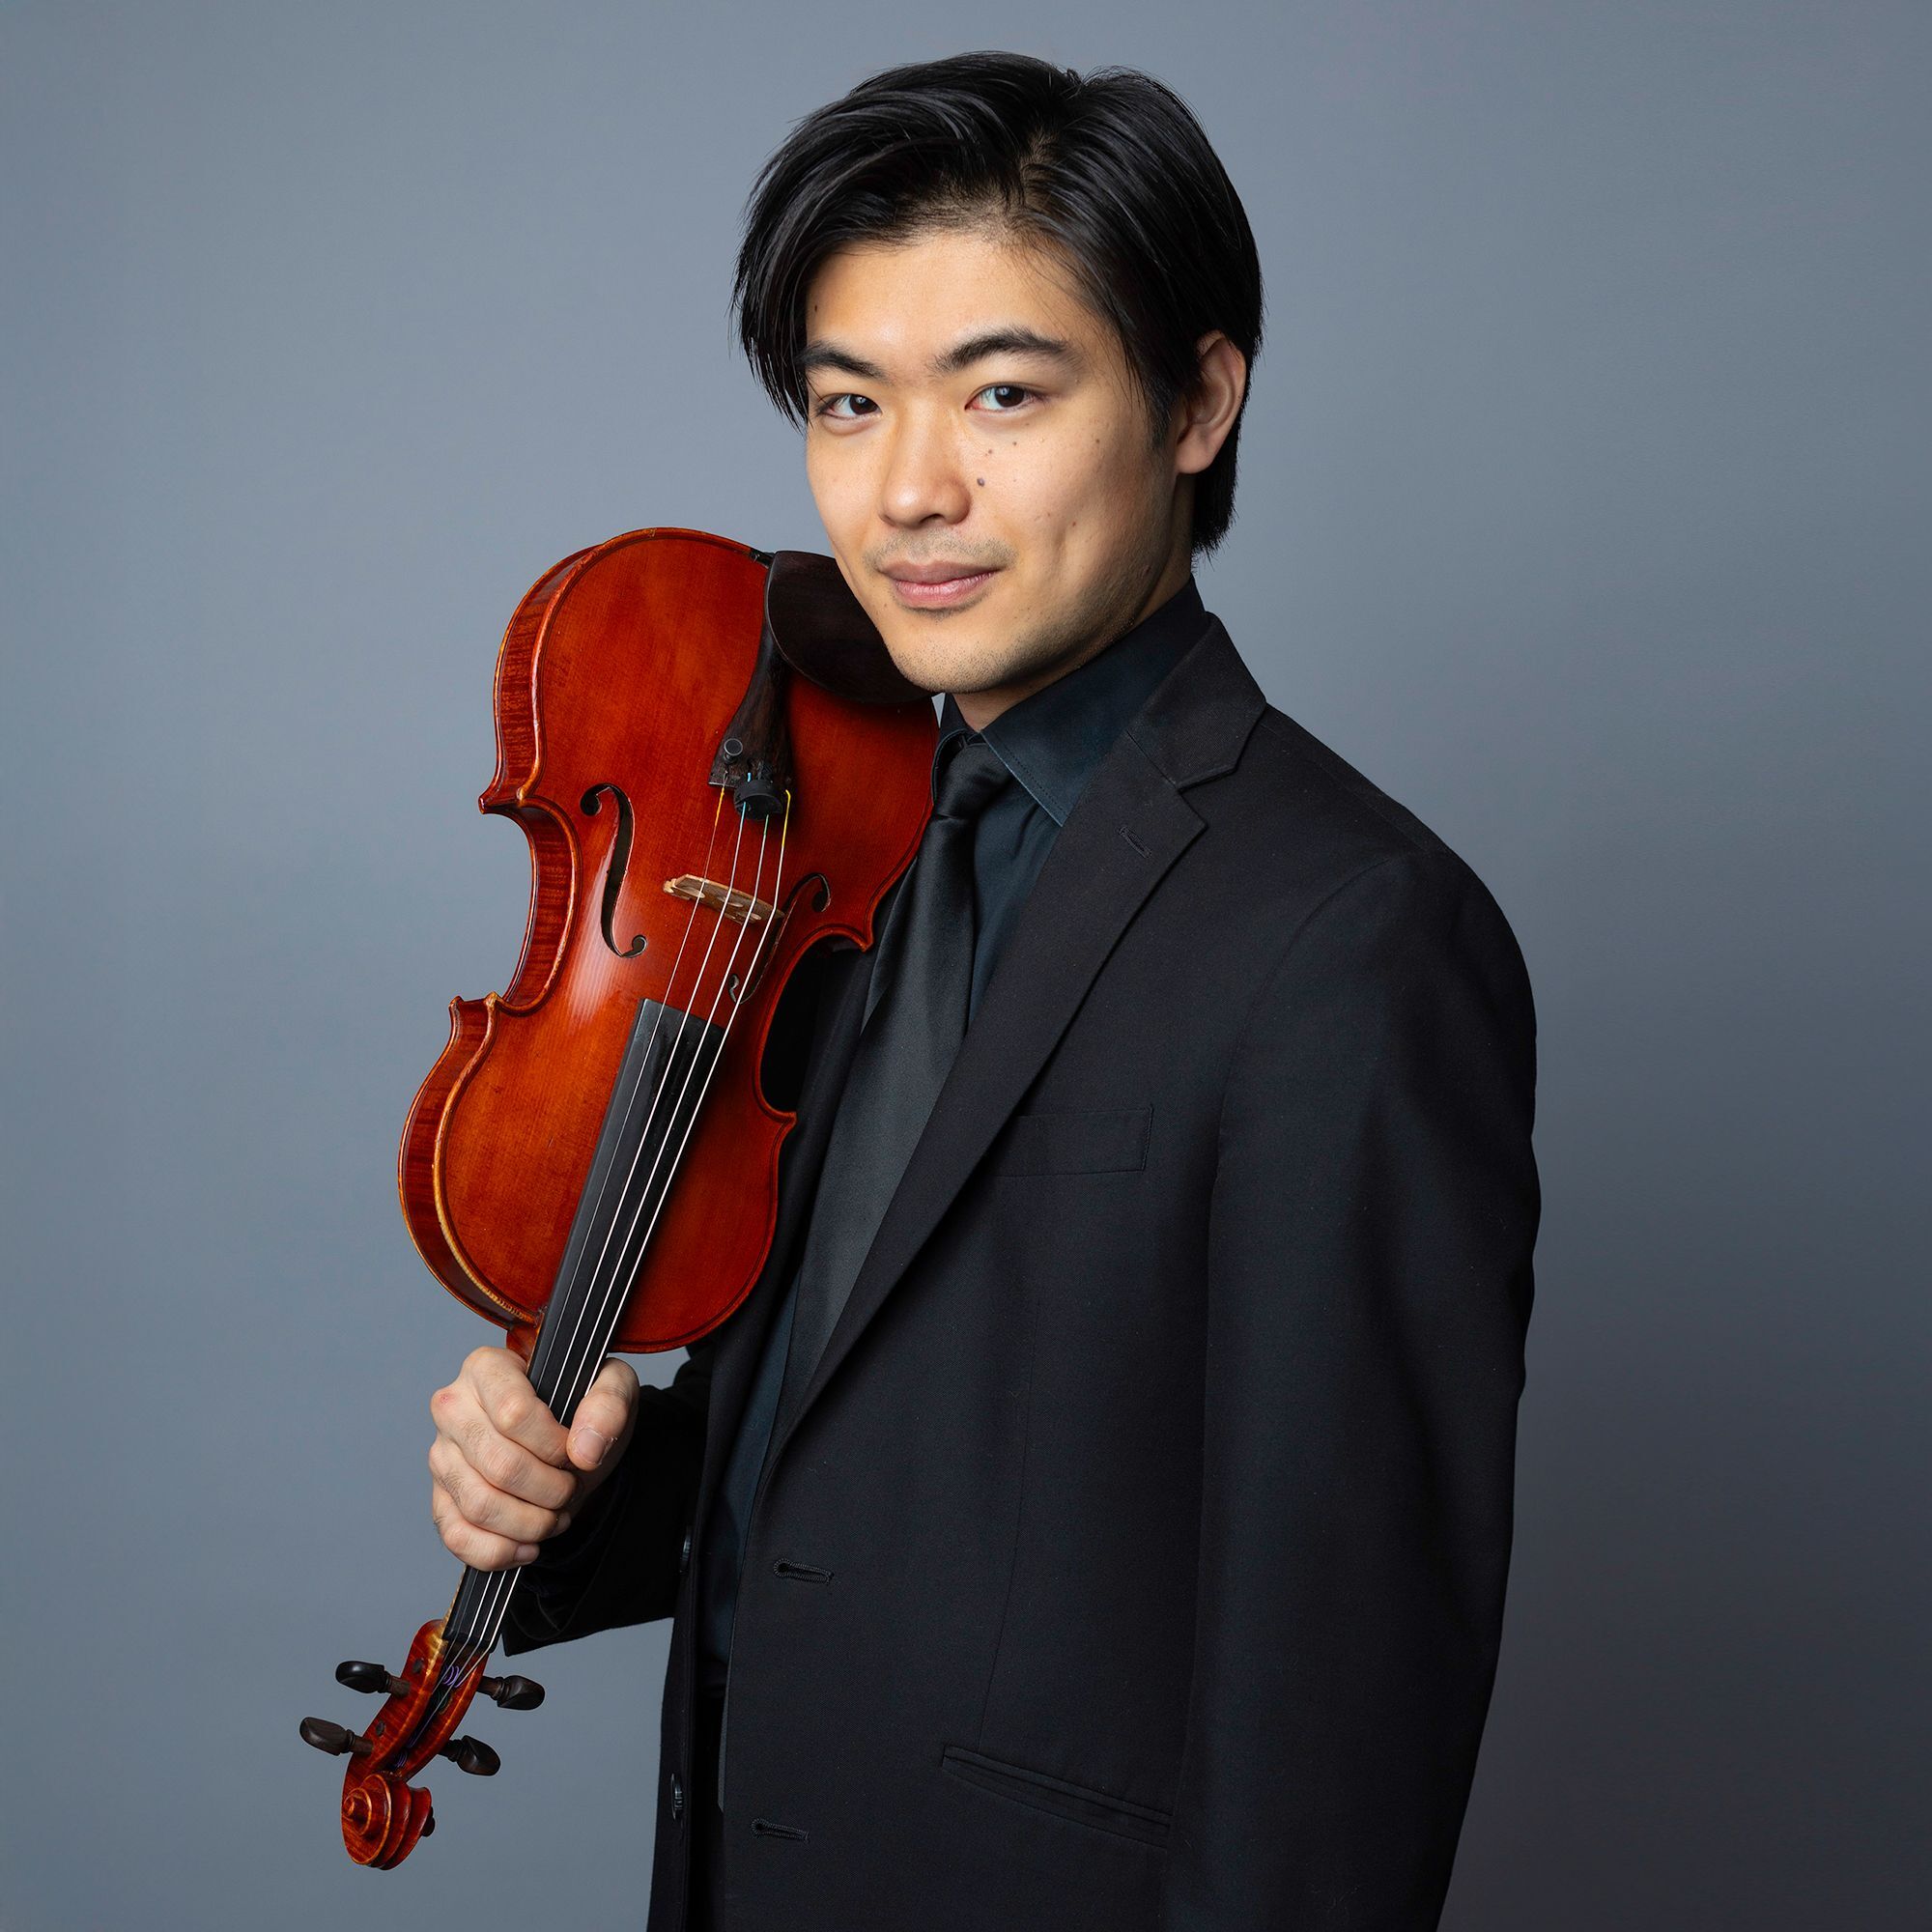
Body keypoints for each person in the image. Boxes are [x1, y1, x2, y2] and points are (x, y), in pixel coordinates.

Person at [422, 51, 1539, 1932]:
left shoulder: (1352, 931)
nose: (910, 489)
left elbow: (1336, 1724)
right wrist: (582, 1491)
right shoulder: (835, 845)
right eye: (847, 404)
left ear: (1195, 399)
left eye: (1003, 394)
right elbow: (889, 1431)